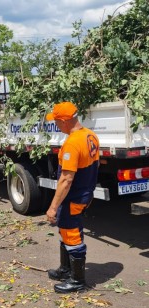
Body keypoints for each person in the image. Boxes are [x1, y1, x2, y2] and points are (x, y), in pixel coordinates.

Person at [45, 102, 99, 293]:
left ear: (64, 120)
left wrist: (52, 207)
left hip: (73, 196)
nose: (56, 125)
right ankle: (66, 269)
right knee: (67, 230)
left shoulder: (72, 143)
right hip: (83, 193)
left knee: (71, 234)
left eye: (57, 121)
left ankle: (77, 281)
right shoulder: (90, 135)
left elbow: (66, 179)